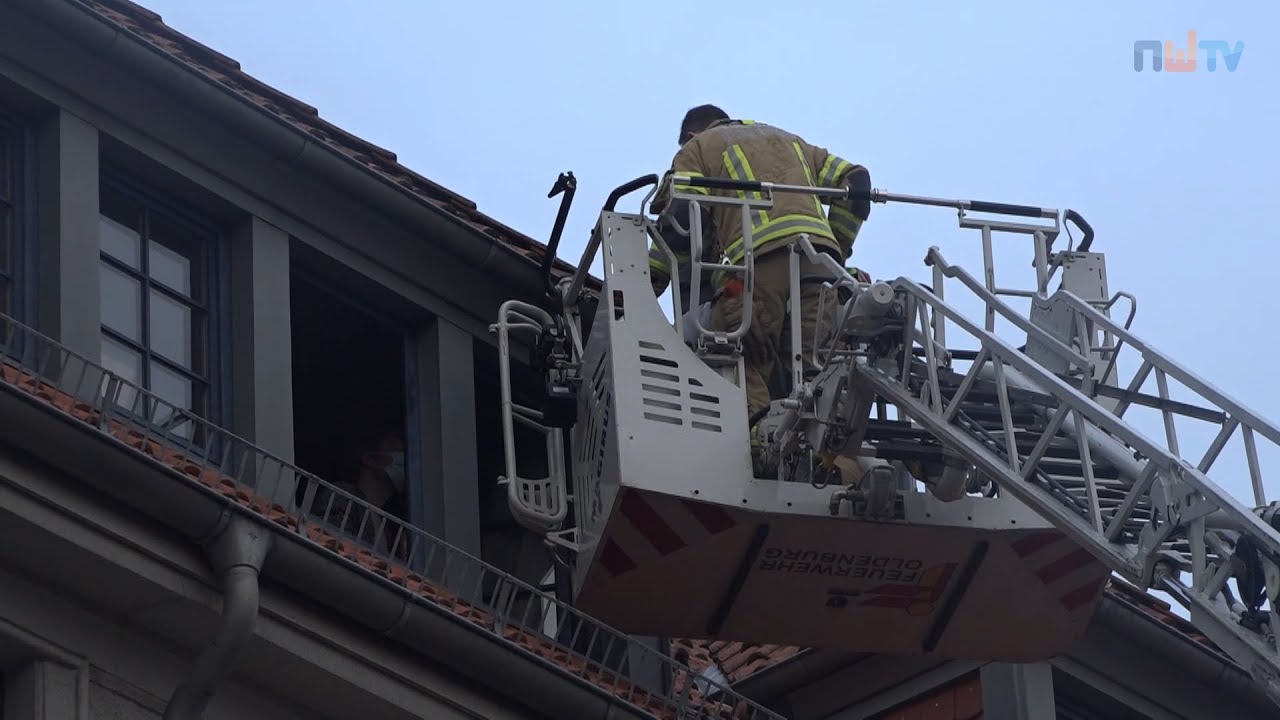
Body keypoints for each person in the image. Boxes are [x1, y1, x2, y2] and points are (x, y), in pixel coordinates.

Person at [648, 104, 873, 424]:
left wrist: (647, 284)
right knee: (811, 373)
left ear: (692, 134)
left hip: (755, 268)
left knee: (743, 357)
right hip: (820, 270)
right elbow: (857, 183)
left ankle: (756, 440)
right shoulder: (790, 141)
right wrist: (836, 255)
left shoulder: (698, 147)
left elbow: (682, 217)